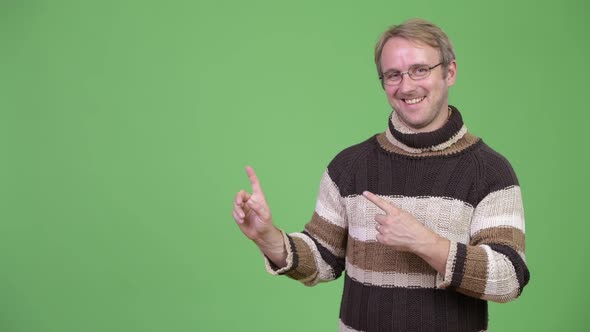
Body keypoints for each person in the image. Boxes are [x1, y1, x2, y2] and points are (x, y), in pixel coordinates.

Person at [232, 18, 529, 332]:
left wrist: (425, 242)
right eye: (393, 75)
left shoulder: (489, 171)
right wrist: (268, 238)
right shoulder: (350, 166)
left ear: (449, 71)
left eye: (420, 69)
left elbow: (508, 278)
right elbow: (321, 260)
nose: (407, 86)